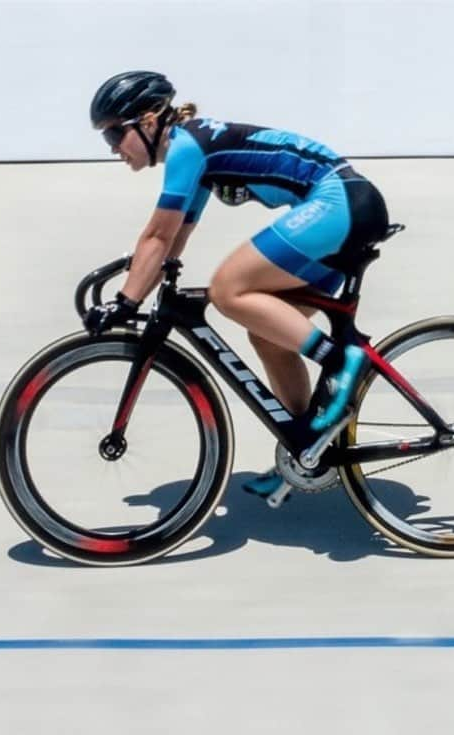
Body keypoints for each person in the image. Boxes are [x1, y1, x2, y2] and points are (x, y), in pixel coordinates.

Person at [84, 71, 389, 496]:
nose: (114, 148)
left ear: (149, 121)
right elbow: (172, 239)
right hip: (346, 205)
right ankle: (307, 448)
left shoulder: (186, 148)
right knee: (268, 337)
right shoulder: (196, 154)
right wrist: (141, 286)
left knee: (228, 289)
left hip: (339, 201)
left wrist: (123, 302)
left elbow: (156, 236)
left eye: (114, 134)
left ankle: (341, 362)